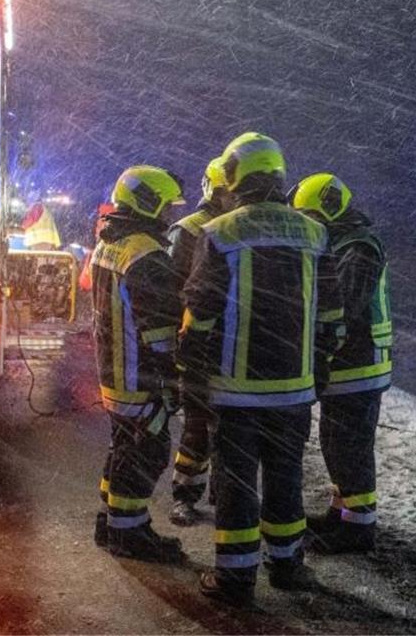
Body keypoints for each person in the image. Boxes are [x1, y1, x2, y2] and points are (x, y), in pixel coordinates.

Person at [179, 132, 341, 606]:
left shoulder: (220, 233)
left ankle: (235, 579)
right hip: (293, 391)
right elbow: (331, 315)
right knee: (286, 478)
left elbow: (199, 315)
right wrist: (321, 367)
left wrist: (192, 372)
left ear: (233, 177)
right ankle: (288, 565)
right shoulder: (315, 233)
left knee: (236, 484)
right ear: (278, 176)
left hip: (235, 392)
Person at [290, 173, 392, 554]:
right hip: (349, 364)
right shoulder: (345, 242)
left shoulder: (359, 248)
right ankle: (342, 512)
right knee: (336, 443)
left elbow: (344, 307)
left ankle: (359, 529)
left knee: (350, 448)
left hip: (359, 365)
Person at [90, 165, 185, 563]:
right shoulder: (146, 254)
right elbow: (160, 332)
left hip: (115, 374)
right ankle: (128, 535)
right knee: (147, 451)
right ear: (148, 204)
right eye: (166, 207)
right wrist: (175, 378)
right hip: (139, 377)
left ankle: (111, 520)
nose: (169, 216)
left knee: (124, 447)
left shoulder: (109, 244)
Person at [168, 157, 231, 526]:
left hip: (214, 342)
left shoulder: (200, 228)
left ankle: (208, 495)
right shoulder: (193, 229)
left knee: (213, 425)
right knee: (205, 424)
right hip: (211, 341)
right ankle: (196, 495)